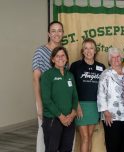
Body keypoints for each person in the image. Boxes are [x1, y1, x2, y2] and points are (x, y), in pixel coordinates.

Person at [32, 21, 64, 152]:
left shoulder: (62, 53)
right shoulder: (40, 51)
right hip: (46, 99)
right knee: (44, 132)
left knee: (59, 132)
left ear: (63, 33)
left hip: (60, 100)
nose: (57, 33)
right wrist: (39, 103)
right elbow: (35, 78)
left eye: (59, 30)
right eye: (54, 30)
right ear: (49, 34)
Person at [69, 38, 105, 152]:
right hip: (81, 106)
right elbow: (71, 88)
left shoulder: (101, 67)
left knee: (89, 137)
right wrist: (76, 105)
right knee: (84, 137)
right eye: (86, 48)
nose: (88, 51)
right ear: (82, 51)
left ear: (95, 51)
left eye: (91, 48)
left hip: (95, 106)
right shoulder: (75, 66)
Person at [40, 46, 78, 152]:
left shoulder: (70, 75)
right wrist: (61, 117)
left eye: (63, 55)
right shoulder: (47, 75)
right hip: (53, 119)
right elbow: (46, 99)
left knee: (67, 149)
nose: (60, 58)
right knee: (52, 149)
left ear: (66, 58)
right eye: (57, 56)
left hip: (69, 120)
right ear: (52, 59)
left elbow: (75, 96)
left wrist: (73, 113)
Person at [97, 48, 124, 152]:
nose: (116, 59)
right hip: (111, 116)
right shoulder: (105, 74)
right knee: (113, 144)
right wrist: (106, 112)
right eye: (113, 57)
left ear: (121, 58)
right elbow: (101, 94)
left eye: (118, 56)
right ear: (109, 60)